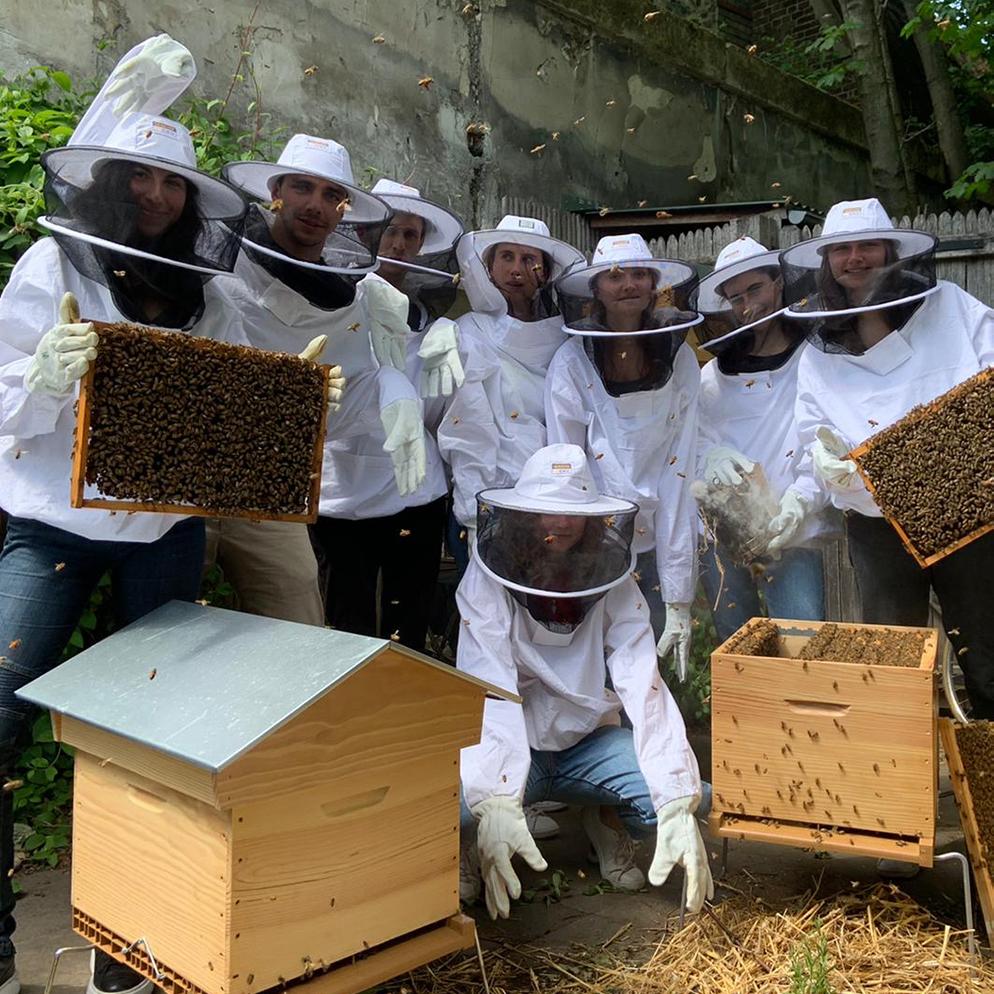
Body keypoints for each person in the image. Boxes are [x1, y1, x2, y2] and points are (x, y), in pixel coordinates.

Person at [0, 37, 253, 994]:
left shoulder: (206, 291)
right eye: (138, 177)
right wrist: (39, 376)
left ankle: (136, 944)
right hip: (51, 526)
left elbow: (232, 405)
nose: (155, 196)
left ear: (191, 203)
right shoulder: (40, 267)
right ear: (105, 182)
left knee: (160, 734)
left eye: (173, 184)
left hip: (164, 530)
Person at [457, 444, 713, 919]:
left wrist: (676, 792)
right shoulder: (487, 575)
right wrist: (493, 795)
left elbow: (642, 679)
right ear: (524, 515)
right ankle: (472, 841)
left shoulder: (610, 574)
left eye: (572, 514)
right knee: (454, 804)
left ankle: (602, 816)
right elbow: (486, 682)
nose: (560, 524)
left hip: (587, 741)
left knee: (691, 797)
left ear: (593, 519)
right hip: (521, 742)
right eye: (547, 512)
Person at [223, 143, 444, 648]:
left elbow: (351, 394)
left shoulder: (358, 296)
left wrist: (391, 389)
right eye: (302, 186)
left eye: (331, 195)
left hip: (275, 490)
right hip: (203, 475)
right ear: (275, 192)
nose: (316, 205)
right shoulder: (229, 266)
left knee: (301, 638)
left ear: (344, 210)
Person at [787, 198, 994, 718]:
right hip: (878, 524)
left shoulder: (950, 304)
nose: (855, 258)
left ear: (891, 251)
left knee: (986, 652)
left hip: (964, 511)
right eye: (842, 249)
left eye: (867, 246)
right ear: (827, 260)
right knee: (894, 660)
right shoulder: (817, 344)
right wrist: (824, 465)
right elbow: (812, 426)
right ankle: (905, 789)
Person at [544, 233, 702, 681]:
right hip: (595, 541)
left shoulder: (683, 361)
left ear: (654, 285)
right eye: (615, 277)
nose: (628, 284)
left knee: (653, 669)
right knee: (597, 666)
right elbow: (566, 472)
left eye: (639, 274)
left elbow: (680, 472)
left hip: (660, 535)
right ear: (595, 290)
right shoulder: (571, 363)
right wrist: (574, 556)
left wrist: (679, 598)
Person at [694, 236, 831, 641]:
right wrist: (712, 455)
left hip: (793, 527)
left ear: (778, 283)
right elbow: (693, 441)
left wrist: (801, 499)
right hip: (725, 531)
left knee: (802, 642)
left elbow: (823, 440)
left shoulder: (815, 357)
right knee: (737, 646)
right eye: (735, 298)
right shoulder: (713, 375)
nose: (747, 305)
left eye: (755, 289)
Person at [436, 215, 585, 568]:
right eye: (506, 257)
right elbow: (467, 430)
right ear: (488, 267)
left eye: (529, 259)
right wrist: (477, 516)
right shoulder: (468, 333)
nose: (517, 270)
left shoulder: (567, 341)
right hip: (490, 505)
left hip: (557, 507)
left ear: (546, 272)